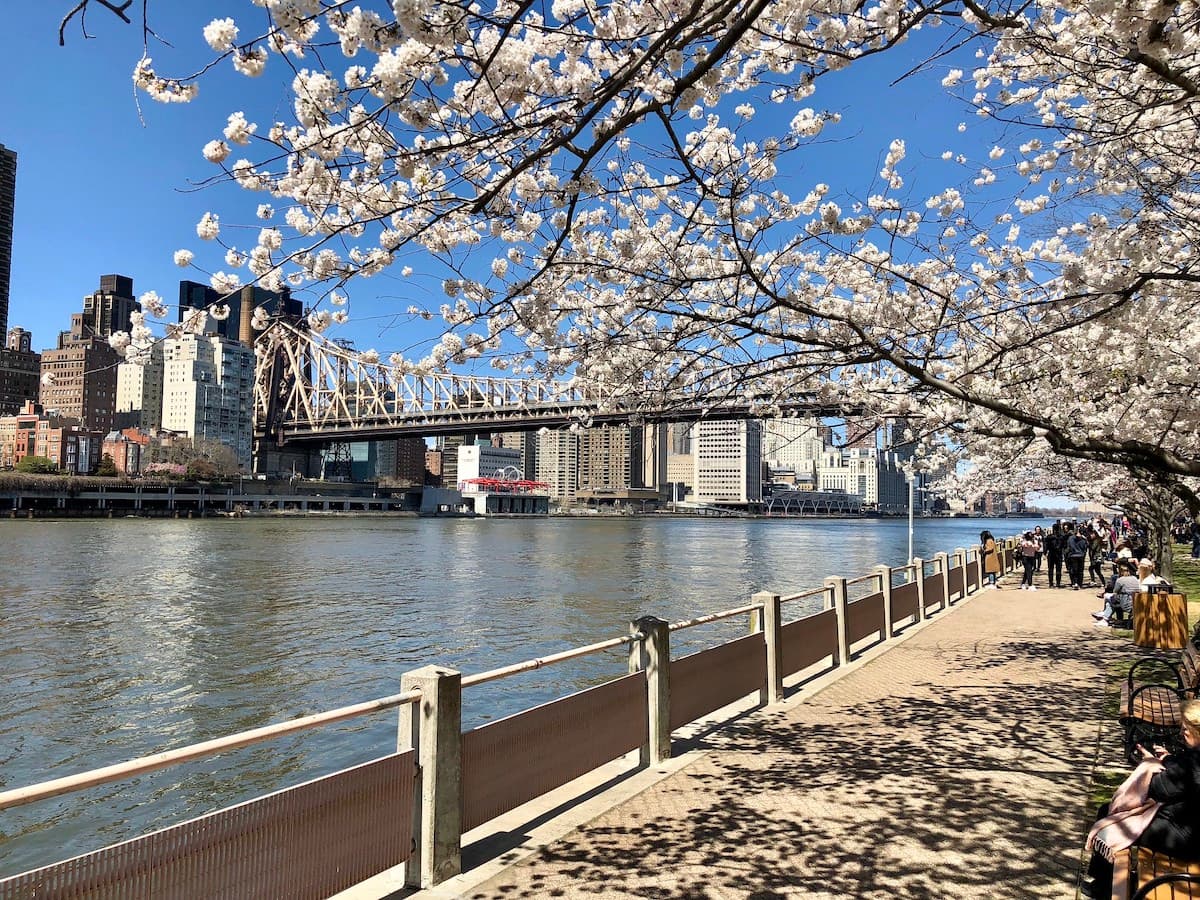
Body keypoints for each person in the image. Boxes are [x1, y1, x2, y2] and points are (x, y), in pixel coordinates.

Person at [1083, 700, 1200, 897]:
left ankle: (1102, 888)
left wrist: (1149, 767)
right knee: (1109, 811)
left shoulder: (1195, 764)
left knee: (1111, 823)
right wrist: (1166, 760)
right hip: (1186, 827)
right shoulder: (1194, 758)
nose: (1182, 732)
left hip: (1184, 839)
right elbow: (1181, 774)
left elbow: (1157, 788)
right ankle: (1101, 882)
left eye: (1186, 728)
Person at [1092, 559, 1141, 626]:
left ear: (1120, 571)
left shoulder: (1120, 580)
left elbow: (1115, 591)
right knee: (1114, 600)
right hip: (1135, 601)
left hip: (1126, 602)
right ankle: (1110, 617)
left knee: (1109, 598)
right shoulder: (1134, 578)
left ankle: (1105, 617)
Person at [1044, 523, 1066, 588]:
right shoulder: (1061, 537)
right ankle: (1058, 583)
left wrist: (1045, 553)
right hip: (1059, 554)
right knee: (1058, 569)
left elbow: (1046, 545)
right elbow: (1064, 545)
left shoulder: (1049, 537)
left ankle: (1051, 583)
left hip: (1051, 554)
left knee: (1050, 569)